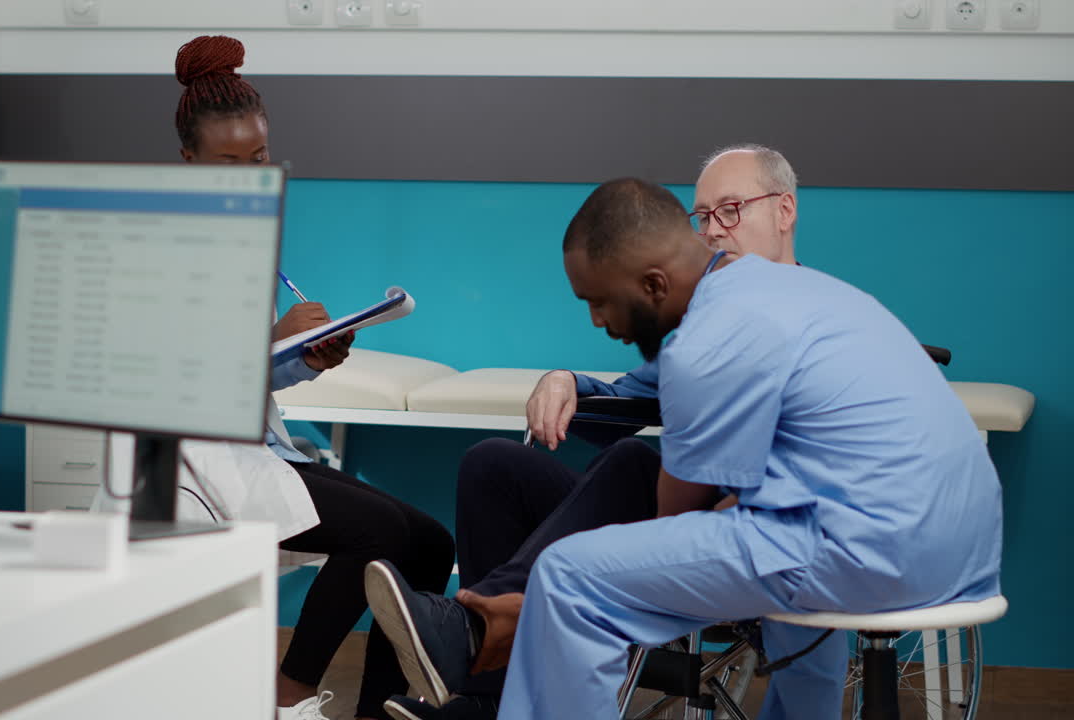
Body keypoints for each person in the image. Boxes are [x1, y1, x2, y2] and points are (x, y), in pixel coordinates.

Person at [369, 178, 1002, 720]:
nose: (596, 322)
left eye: (597, 302)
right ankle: (483, 650)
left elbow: (671, 527)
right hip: (960, 546)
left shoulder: (707, 340)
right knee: (757, 560)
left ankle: (481, 643)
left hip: (868, 548)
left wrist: (530, 607)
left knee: (570, 576)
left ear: (651, 284)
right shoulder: (791, 292)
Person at [372, 145, 803, 720]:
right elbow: (623, 403)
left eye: (730, 210)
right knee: (494, 464)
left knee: (631, 464)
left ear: (784, 210)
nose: (712, 232)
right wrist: (565, 381)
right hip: (668, 529)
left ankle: (470, 630)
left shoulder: (823, 321)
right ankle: (486, 694)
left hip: (752, 547)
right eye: (701, 218)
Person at [104, 35, 455, 720]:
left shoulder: (242, 237)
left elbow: (249, 373)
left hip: (251, 447)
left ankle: (381, 709)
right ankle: (285, 697)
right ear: (188, 163)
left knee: (433, 542)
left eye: (259, 158)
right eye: (228, 163)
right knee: (379, 531)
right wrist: (275, 337)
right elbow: (161, 374)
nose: (250, 175)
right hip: (190, 461)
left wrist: (307, 354)